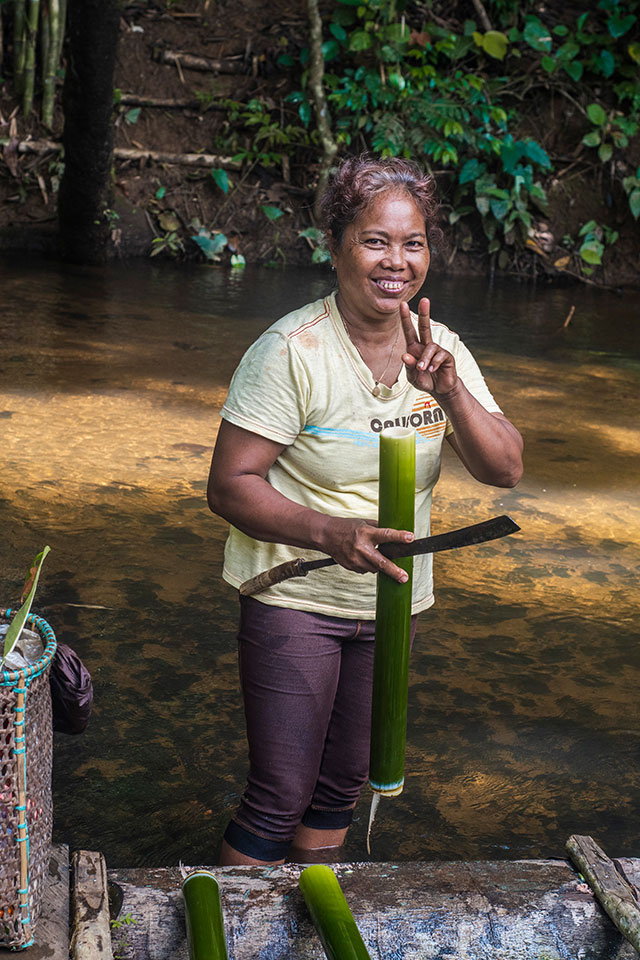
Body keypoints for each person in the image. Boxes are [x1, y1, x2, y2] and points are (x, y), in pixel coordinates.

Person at [207, 154, 523, 867]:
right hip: (294, 594)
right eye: (375, 240)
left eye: (413, 244)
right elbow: (229, 485)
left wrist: (452, 393)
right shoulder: (292, 351)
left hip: (390, 605)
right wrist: (330, 531)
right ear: (337, 245)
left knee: (339, 789)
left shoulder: (442, 352)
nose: (396, 262)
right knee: (279, 793)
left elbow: (505, 469)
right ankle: (228, 928)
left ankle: (310, 922)